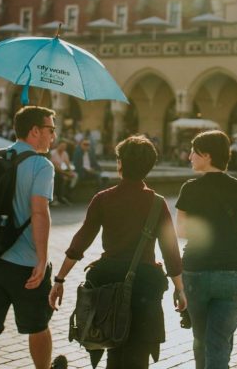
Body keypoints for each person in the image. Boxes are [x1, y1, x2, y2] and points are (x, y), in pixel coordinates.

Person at [48, 135, 185, 368]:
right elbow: (170, 251)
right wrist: (180, 289)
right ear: (149, 167)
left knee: (112, 343)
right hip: (144, 285)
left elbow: (80, 242)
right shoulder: (157, 203)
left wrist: (59, 280)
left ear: (120, 164)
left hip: (107, 284)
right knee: (138, 353)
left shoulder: (103, 199)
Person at [0, 106, 67, 369]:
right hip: (26, 264)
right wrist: (42, 260)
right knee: (38, 326)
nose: (53, 136)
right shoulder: (41, 165)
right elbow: (39, 213)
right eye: (51, 129)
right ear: (35, 131)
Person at [175, 130, 237, 369]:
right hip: (233, 273)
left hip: (197, 272)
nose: (189, 156)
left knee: (202, 339)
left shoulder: (190, 188)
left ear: (207, 155)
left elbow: (180, 230)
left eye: (194, 152)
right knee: (219, 341)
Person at [49, 140, 76, 206]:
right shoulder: (52, 153)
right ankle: (56, 197)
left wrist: (71, 172)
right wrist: (66, 174)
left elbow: (67, 163)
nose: (63, 148)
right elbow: (55, 167)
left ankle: (65, 196)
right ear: (58, 145)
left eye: (65, 146)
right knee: (60, 177)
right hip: (52, 171)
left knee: (73, 177)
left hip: (60, 171)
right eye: (62, 146)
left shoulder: (65, 153)